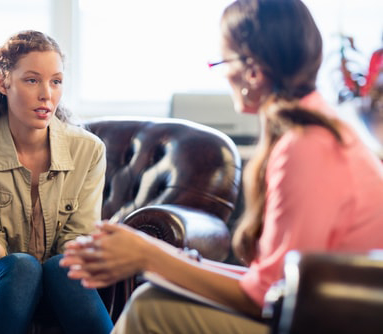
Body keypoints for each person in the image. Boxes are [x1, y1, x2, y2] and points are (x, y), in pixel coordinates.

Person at [60, 1, 383, 333]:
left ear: (253, 71)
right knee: (155, 295)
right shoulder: (320, 130)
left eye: (223, 61)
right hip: (325, 312)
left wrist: (148, 256)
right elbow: (273, 281)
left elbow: (268, 297)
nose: (223, 73)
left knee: (151, 308)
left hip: (333, 321)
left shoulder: (305, 146)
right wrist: (168, 261)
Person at [0, 30, 113, 334]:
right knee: (22, 268)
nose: (47, 94)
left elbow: (78, 239)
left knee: (60, 270)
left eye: (56, 81)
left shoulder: (89, 150)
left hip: (58, 284)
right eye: (32, 80)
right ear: (3, 82)